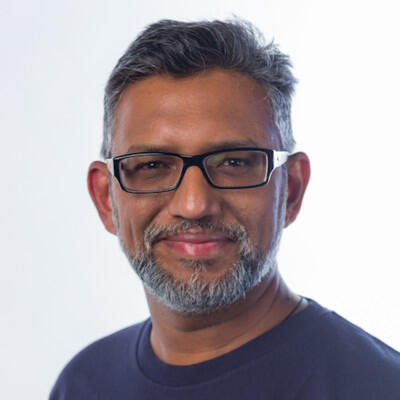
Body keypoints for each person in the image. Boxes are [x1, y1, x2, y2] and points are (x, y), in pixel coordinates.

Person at [50, 18, 400, 399]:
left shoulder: (378, 387)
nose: (194, 205)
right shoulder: (84, 384)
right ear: (106, 199)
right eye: (152, 165)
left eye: (233, 162)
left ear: (291, 190)